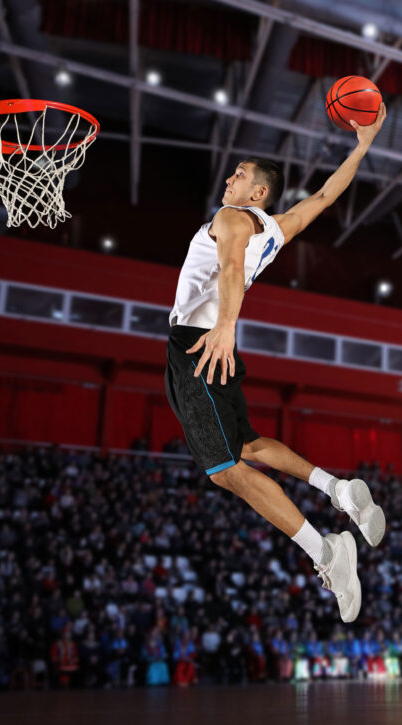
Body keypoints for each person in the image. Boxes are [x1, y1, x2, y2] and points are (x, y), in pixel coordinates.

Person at [165, 106, 389, 624]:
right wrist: (362, 145)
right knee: (243, 445)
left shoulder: (230, 220)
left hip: (200, 345)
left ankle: (326, 550)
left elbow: (231, 268)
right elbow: (326, 196)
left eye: (240, 174)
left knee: (225, 471)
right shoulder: (275, 226)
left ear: (257, 192)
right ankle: (338, 490)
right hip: (211, 342)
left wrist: (225, 326)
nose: (229, 178)